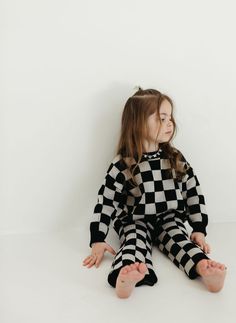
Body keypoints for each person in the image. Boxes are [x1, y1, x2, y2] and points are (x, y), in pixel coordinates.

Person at [82, 87, 227, 299]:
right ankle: (127, 275)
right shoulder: (123, 164)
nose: (170, 123)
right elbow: (106, 201)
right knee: (133, 242)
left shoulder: (174, 158)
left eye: (170, 117)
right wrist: (97, 238)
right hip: (134, 220)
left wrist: (198, 227)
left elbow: (193, 191)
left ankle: (203, 267)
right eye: (162, 117)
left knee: (179, 240)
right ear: (139, 123)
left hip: (169, 217)